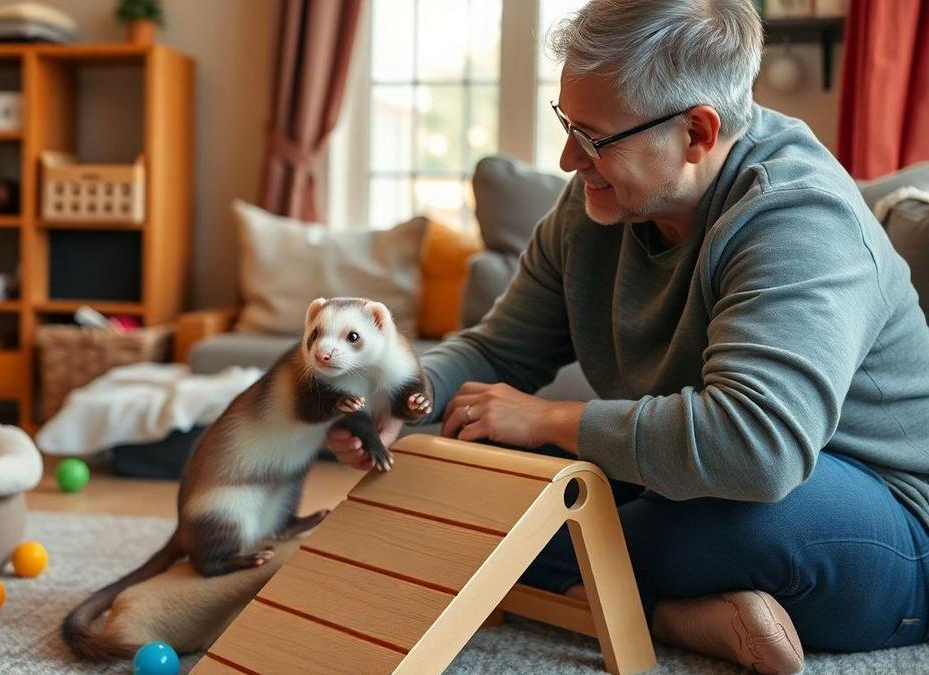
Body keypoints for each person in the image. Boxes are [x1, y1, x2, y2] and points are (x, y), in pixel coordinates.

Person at [326, 1, 929, 672]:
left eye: (591, 135)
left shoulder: (798, 218)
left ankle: (615, 597)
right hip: (687, 485)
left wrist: (551, 419)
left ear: (697, 132)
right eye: (565, 122)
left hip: (880, 518)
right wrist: (399, 395)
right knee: (443, 460)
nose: (565, 158)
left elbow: (758, 449)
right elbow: (499, 350)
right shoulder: (596, 205)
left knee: (722, 513)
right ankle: (677, 612)